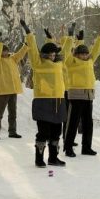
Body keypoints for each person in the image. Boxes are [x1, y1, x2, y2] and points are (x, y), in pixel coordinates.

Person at [20, 20, 67, 168]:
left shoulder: (59, 63)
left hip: (58, 101)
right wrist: (29, 33)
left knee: (56, 132)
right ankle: (39, 159)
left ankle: (53, 158)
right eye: (50, 54)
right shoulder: (37, 63)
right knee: (43, 133)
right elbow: (33, 49)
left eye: (54, 54)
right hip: (43, 101)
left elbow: (66, 48)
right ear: (44, 55)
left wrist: (71, 36)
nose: (53, 56)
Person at [63, 26, 100, 157]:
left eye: (86, 53)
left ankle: (86, 147)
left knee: (88, 123)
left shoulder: (90, 61)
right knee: (73, 123)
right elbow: (65, 52)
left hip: (88, 95)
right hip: (76, 95)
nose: (85, 55)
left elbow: (96, 50)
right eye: (82, 53)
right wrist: (70, 37)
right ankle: (68, 147)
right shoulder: (71, 62)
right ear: (76, 54)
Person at [0, 40, 28, 140]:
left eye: (6, 51)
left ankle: (12, 131)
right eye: (3, 51)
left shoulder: (13, 58)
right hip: (3, 90)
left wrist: (26, 45)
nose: (5, 53)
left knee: (13, 113)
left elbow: (21, 53)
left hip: (13, 90)